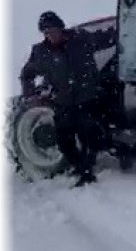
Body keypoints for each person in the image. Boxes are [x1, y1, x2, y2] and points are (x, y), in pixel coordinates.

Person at [19, 11, 118, 186]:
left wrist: (124, 31)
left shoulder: (81, 39)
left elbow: (108, 38)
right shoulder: (40, 53)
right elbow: (27, 75)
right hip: (63, 103)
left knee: (90, 136)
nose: (51, 35)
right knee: (65, 142)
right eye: (46, 32)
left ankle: (86, 172)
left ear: (61, 28)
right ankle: (79, 166)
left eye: (53, 30)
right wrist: (31, 95)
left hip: (87, 99)